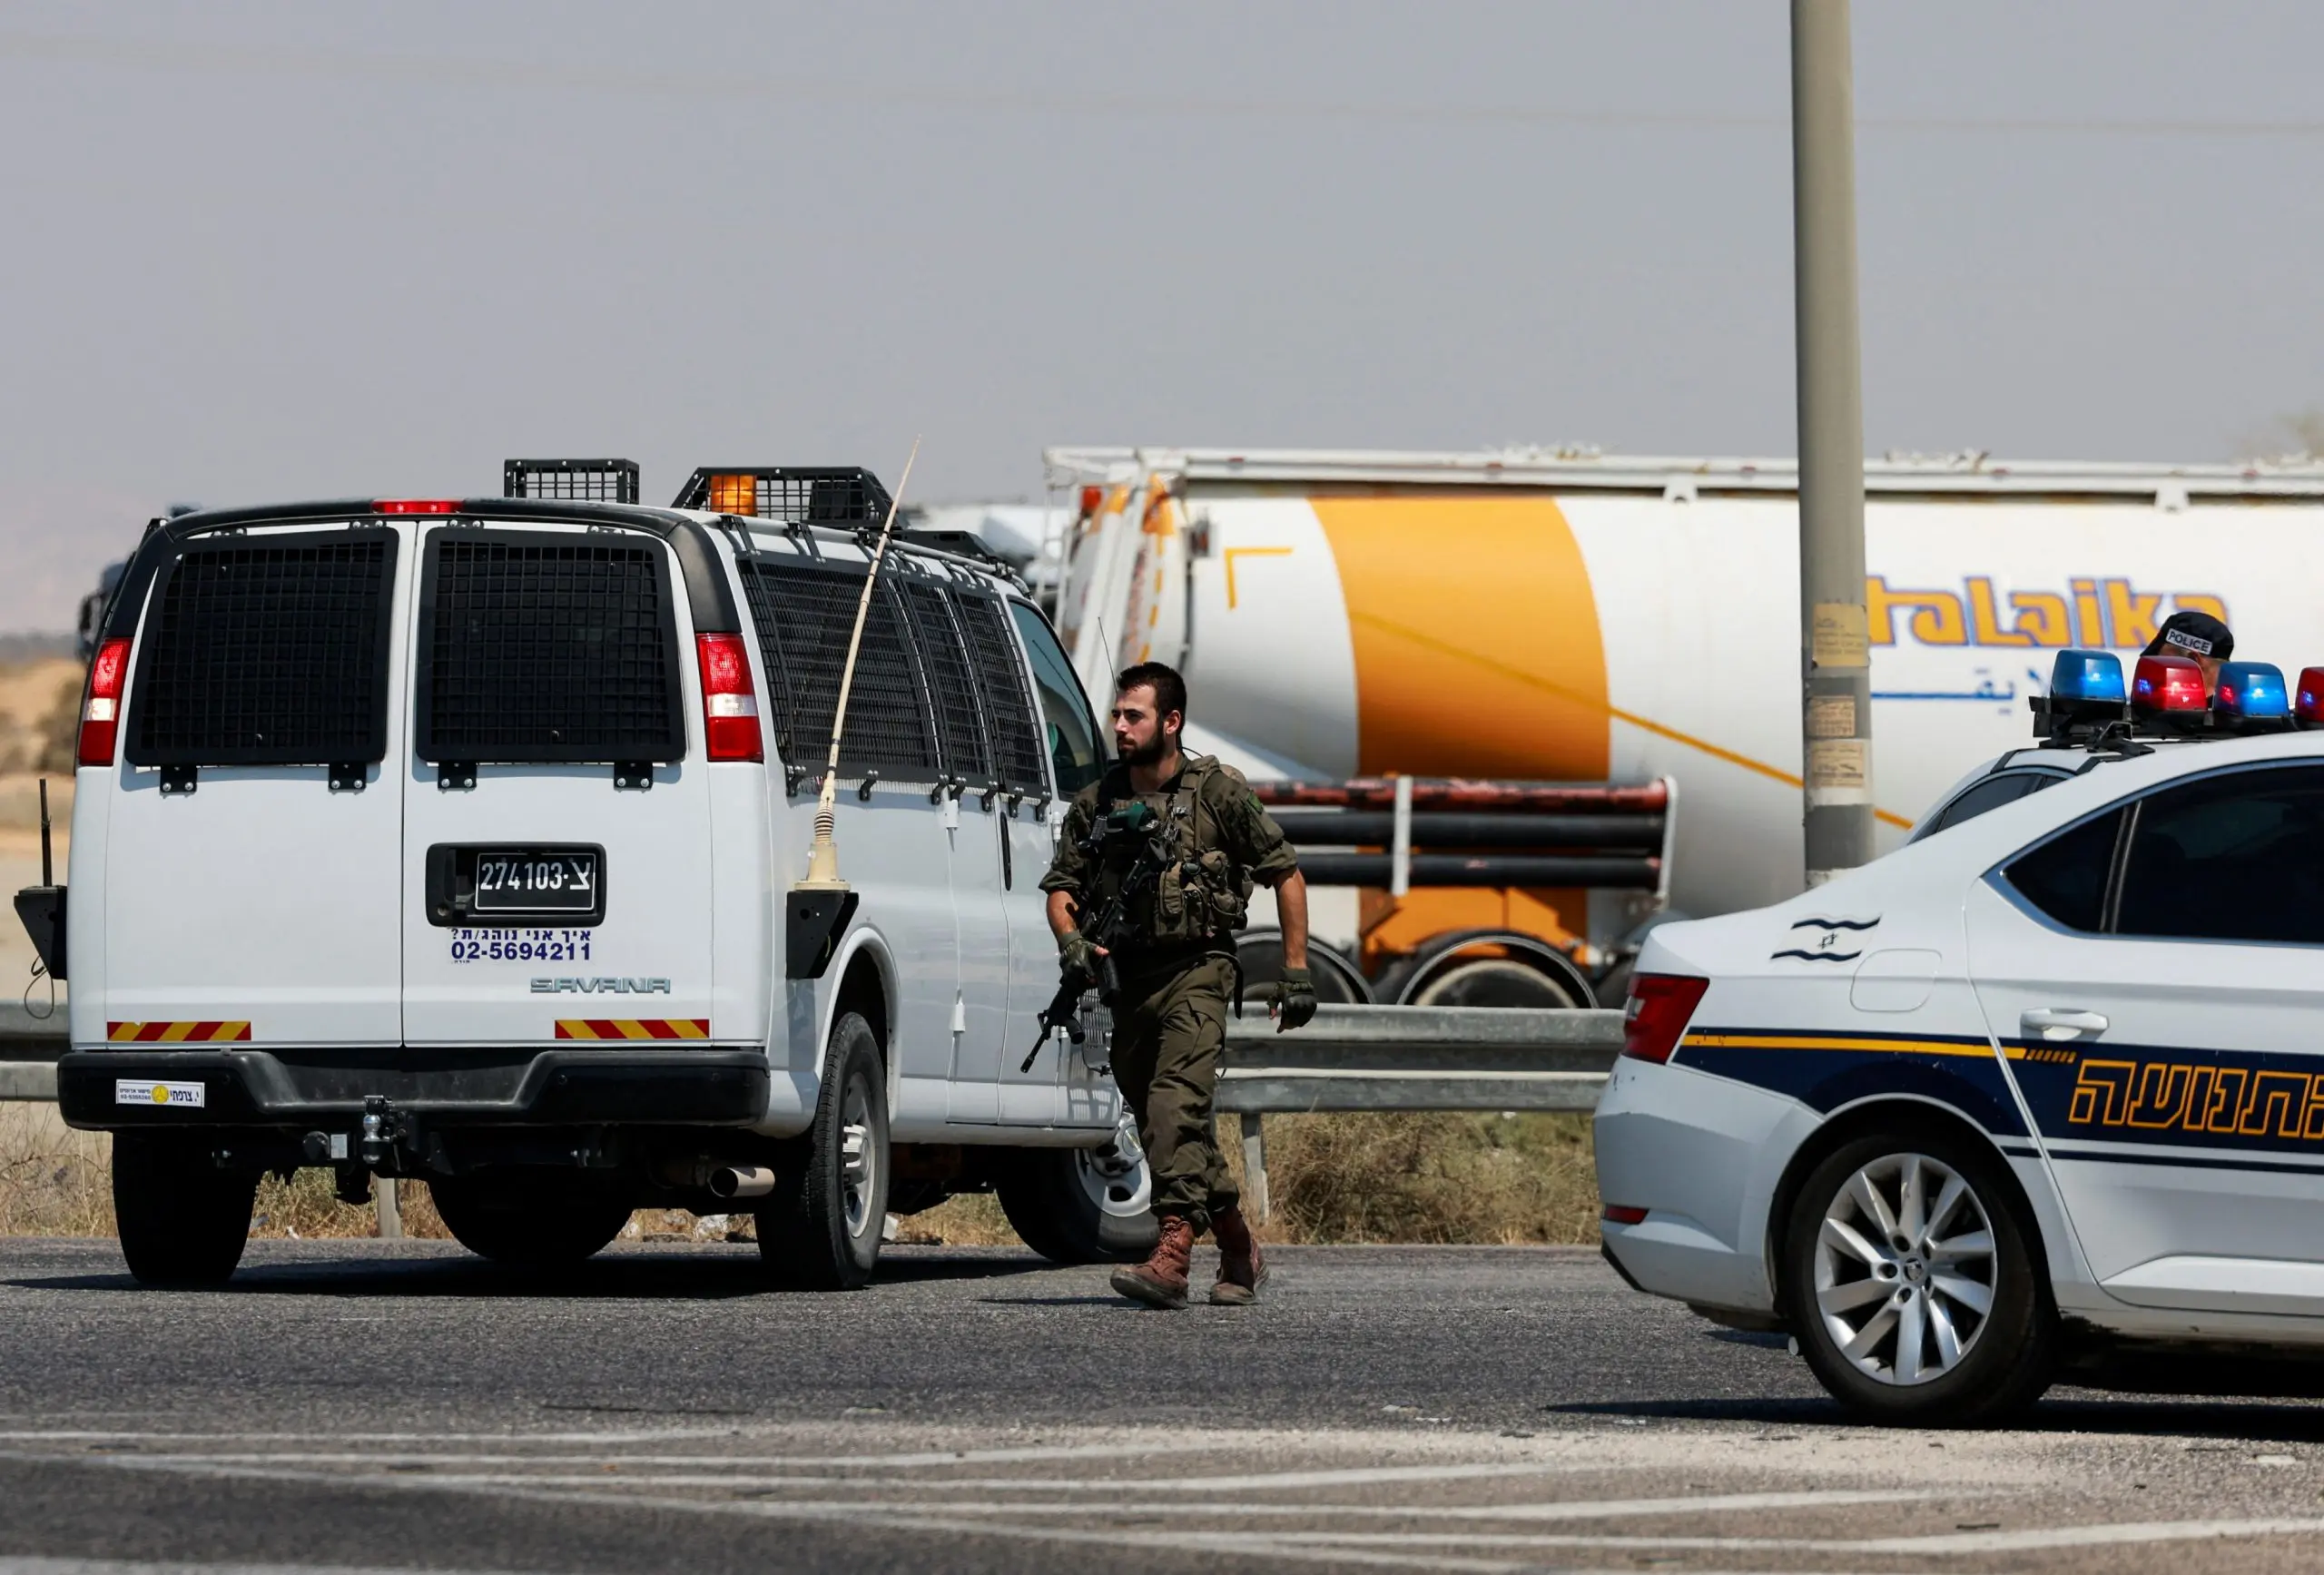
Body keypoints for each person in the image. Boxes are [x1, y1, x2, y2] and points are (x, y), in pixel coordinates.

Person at [1039, 661, 1315, 1310]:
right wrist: (1072, 941)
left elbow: (1287, 873)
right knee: (1168, 1122)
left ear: (1171, 721)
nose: (1119, 726)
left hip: (1200, 969)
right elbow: (1060, 891)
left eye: (1133, 715)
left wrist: (1296, 970)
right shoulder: (1099, 801)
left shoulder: (1218, 792)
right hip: (1129, 980)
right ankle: (1239, 1243)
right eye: (1116, 714)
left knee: (1171, 1105)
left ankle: (1172, 1253)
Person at [2142, 609, 2234, 692]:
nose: (2153, 670)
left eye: (2161, 660)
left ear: (2193, 661)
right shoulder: (2240, 708)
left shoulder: (2147, 709)